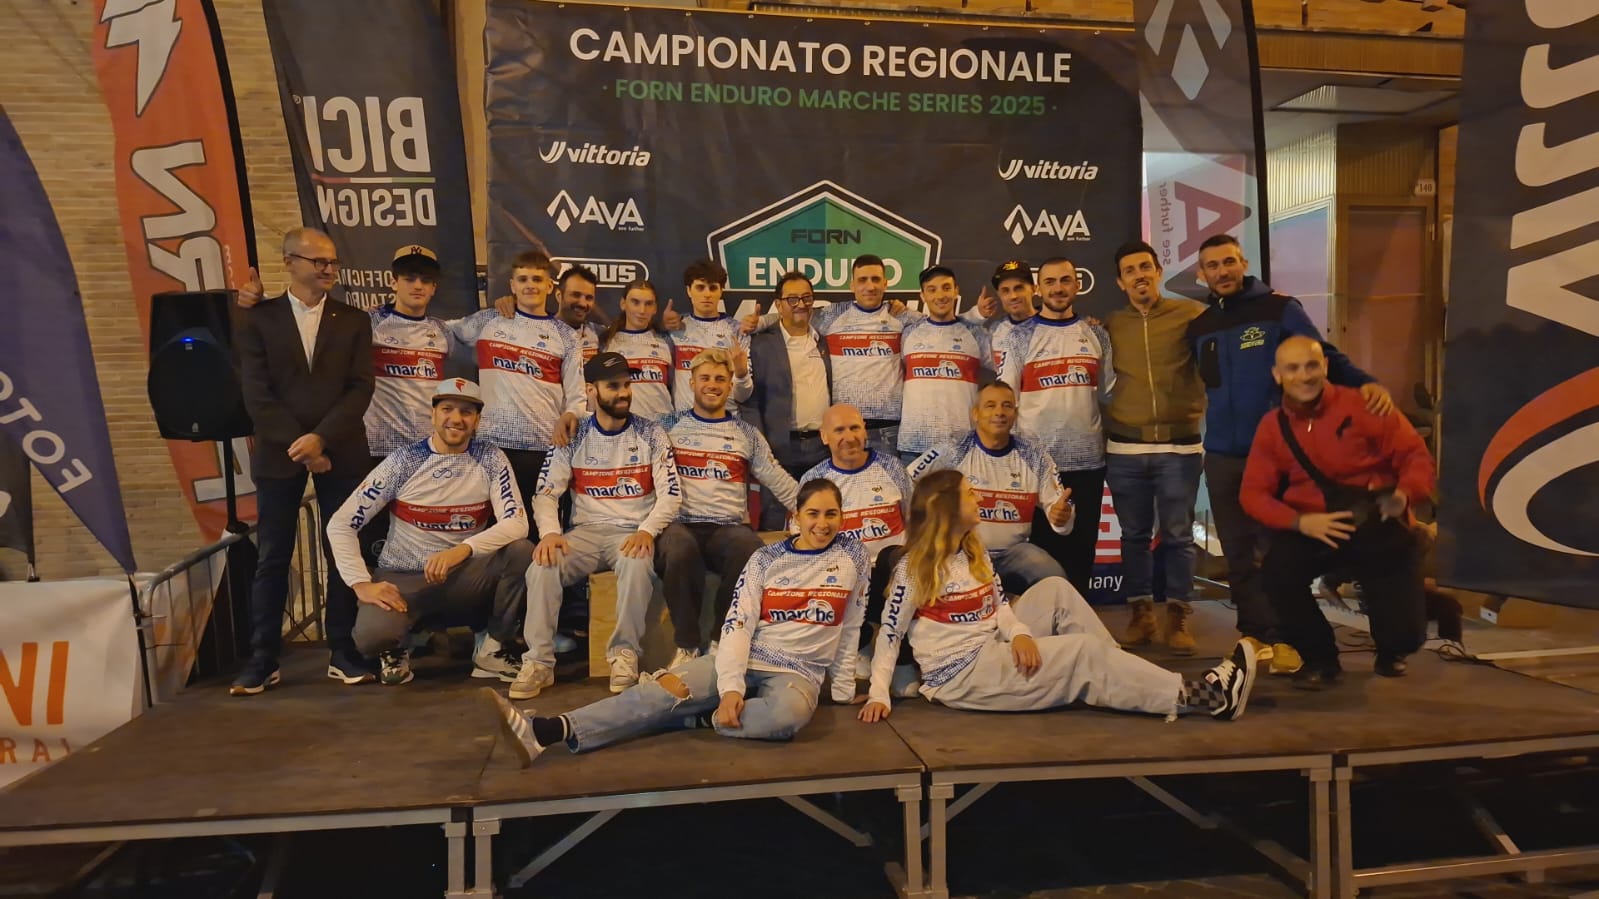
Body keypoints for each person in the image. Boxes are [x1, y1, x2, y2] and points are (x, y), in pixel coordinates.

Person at [484, 479, 869, 765]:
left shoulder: (854, 556)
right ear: (796, 517)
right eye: (813, 514)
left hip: (798, 673)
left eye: (831, 514)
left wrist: (842, 689)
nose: (822, 523)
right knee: (658, 694)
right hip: (746, 658)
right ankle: (547, 730)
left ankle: (698, 717)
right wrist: (731, 688)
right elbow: (737, 627)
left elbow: (850, 625)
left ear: (842, 516)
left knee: (785, 717)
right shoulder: (765, 559)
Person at [857, 470, 1258, 723]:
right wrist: (879, 695)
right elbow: (890, 635)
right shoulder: (915, 568)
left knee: (1056, 590)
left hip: (992, 646)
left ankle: (1126, 673)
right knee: (1082, 652)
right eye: (968, 493)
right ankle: (1206, 697)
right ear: (946, 507)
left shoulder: (972, 549)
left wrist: (1019, 633)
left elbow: (1000, 607)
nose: (978, 497)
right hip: (962, 676)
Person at [1189, 234, 1395, 665]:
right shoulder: (1201, 326)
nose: (1222, 271)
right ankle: (1254, 634)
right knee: (1238, 552)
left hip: (1274, 454)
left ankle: (1290, 638)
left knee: (1276, 552)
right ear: (1202, 274)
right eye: (1213, 265)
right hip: (1223, 457)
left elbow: (1325, 358)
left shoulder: (1279, 309)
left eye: (1229, 262)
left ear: (1243, 263)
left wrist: (1365, 383)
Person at [230, 227, 376, 694]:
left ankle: (343, 650)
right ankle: (263, 658)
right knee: (273, 555)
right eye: (319, 261)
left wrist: (322, 439)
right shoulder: (259, 318)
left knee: (343, 551)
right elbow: (256, 393)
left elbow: (360, 387)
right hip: (280, 452)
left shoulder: (353, 320)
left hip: (341, 449)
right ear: (289, 262)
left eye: (333, 261)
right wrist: (301, 444)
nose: (328, 269)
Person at [1240, 337, 1433, 689]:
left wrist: (1405, 494)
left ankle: (1392, 648)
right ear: (1277, 375)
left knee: (1405, 636)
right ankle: (1320, 659)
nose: (1304, 376)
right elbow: (1252, 494)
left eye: (1311, 365)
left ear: (1326, 367)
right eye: (1292, 368)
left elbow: (1415, 457)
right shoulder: (1272, 426)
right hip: (1316, 524)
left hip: (1375, 519)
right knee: (1278, 572)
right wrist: (1299, 522)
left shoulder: (1367, 405)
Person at [326, 379, 534, 686]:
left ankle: (492, 648)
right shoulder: (403, 460)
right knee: (371, 637)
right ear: (433, 414)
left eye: (466, 412)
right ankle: (398, 646)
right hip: (403, 579)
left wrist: (462, 550)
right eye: (447, 409)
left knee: (522, 551)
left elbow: (516, 522)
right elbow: (341, 524)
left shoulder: (490, 457)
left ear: (477, 420)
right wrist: (361, 583)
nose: (456, 419)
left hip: (463, 575)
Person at [512, 352, 682, 700]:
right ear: (591, 390)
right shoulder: (574, 434)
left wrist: (647, 530)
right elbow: (546, 494)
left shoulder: (652, 433)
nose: (623, 393)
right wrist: (550, 534)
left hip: (631, 530)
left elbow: (671, 495)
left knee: (637, 562)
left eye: (626, 385)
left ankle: (624, 655)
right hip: (585, 533)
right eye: (613, 386)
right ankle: (539, 662)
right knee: (541, 565)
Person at [658, 349, 800, 667]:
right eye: (705, 378)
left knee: (750, 548)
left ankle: (720, 641)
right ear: (691, 382)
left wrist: (809, 509)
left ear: (730, 385)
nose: (713, 385)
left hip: (727, 527)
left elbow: (776, 478)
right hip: (680, 522)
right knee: (678, 548)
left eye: (720, 379)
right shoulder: (667, 425)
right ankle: (687, 646)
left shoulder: (746, 433)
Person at [1103, 241, 1208, 657]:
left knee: (1179, 536)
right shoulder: (1111, 324)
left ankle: (1178, 615)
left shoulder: (1191, 314)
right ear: (1120, 282)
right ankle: (1141, 614)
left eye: (1145, 267)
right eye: (1130, 271)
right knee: (1133, 536)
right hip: (1125, 447)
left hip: (1179, 447)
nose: (1139, 276)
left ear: (1158, 271)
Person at [994, 258, 1113, 595]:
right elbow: (1006, 400)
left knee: (1082, 551)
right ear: (1039, 289)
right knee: (1039, 556)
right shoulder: (1018, 337)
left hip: (1088, 463)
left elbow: (1108, 392)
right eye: (1050, 282)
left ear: (1077, 284)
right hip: (1036, 464)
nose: (1058, 288)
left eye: (1065, 280)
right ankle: (1042, 620)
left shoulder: (1096, 333)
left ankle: (1080, 618)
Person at [443, 250, 585, 511]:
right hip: (490, 445)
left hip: (543, 447)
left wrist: (571, 414)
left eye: (537, 279)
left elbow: (577, 395)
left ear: (549, 286)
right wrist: (387, 317)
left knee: (538, 525)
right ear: (512, 285)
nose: (530, 285)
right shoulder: (488, 320)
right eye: (523, 279)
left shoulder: (566, 335)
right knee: (490, 523)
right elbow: (435, 331)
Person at [907, 381, 1074, 598]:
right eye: (990, 405)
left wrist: (1061, 518)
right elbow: (908, 481)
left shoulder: (1035, 456)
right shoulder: (952, 449)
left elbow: (1060, 507)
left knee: (1054, 578)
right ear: (975, 413)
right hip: (961, 552)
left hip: (1014, 554)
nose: (999, 412)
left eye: (1007, 406)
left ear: (1015, 415)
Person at [744, 273, 832, 531]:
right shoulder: (760, 343)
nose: (800, 304)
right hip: (778, 447)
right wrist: (761, 443)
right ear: (778, 304)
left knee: (820, 515)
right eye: (792, 299)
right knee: (774, 518)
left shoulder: (823, 340)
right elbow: (749, 399)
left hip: (821, 447)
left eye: (806, 298)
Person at [897, 265, 995, 463]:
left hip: (962, 446)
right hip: (914, 446)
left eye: (946, 287)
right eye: (932, 289)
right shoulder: (908, 333)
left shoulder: (975, 334)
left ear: (956, 290)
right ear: (922, 295)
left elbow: (1010, 366)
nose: (940, 295)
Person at [800, 404, 913, 565]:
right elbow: (804, 538)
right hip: (841, 572)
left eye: (855, 428)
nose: (850, 438)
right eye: (839, 430)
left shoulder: (893, 468)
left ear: (865, 430)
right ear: (824, 436)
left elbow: (916, 519)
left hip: (895, 569)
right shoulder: (813, 479)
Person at [661, 259, 753, 413]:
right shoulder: (675, 329)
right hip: (684, 423)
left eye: (713, 288)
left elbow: (743, 396)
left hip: (726, 422)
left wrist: (742, 373)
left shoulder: (737, 331)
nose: (707, 294)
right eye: (700, 287)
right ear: (689, 291)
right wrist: (660, 325)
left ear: (721, 291)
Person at [598, 279, 675, 421]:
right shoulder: (606, 342)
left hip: (663, 426)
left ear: (655, 308)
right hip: (623, 427)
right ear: (623, 304)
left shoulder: (667, 341)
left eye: (648, 304)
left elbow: (678, 387)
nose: (642, 310)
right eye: (635, 302)